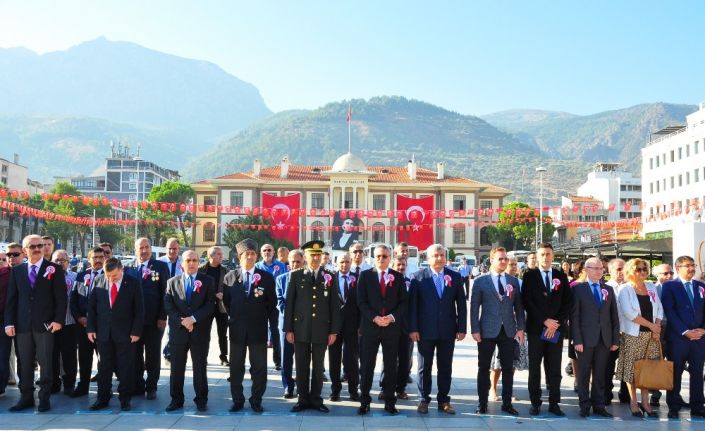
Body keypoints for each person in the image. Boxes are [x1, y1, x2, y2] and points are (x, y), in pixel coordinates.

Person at [5, 234, 66, 412]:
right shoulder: (17, 271)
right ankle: (26, 397)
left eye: (40, 245)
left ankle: (44, 398)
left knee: (45, 363)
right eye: (33, 246)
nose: (38, 249)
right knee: (24, 363)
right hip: (23, 325)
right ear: (25, 250)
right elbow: (12, 299)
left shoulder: (54, 269)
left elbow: (61, 298)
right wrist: (9, 323)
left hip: (46, 325)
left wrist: (58, 320)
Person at [285, 240, 342, 413]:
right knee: (301, 365)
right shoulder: (296, 275)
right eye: (312, 255)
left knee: (318, 366)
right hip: (300, 327)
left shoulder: (330, 276)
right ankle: (302, 399)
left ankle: (316, 399)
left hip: (321, 328)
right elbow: (290, 304)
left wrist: (334, 331)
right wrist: (288, 329)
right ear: (305, 257)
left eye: (318, 255)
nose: (316, 258)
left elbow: (334, 305)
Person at [222, 239, 277, 413]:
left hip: (258, 330)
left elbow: (271, 304)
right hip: (237, 330)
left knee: (259, 368)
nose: (250, 257)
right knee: (236, 368)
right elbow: (227, 303)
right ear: (240, 257)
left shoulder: (266, 278)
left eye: (253, 254)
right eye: (247, 254)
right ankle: (237, 400)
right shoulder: (230, 277)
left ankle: (256, 400)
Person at [470, 246, 523, 415]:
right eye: (500, 258)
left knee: (508, 368)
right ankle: (482, 403)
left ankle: (507, 404)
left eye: (505, 258)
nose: (504, 261)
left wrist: (521, 328)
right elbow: (474, 308)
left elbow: (519, 307)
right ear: (492, 260)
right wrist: (475, 329)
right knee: (483, 367)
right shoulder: (480, 281)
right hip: (487, 331)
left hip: (508, 330)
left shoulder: (513, 281)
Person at [87, 257, 144, 411]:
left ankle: (125, 399)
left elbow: (139, 310)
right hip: (104, 333)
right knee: (104, 367)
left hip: (126, 333)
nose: (111, 279)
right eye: (108, 276)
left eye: (115, 276)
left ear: (121, 270)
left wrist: (136, 331)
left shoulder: (132, 283)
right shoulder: (98, 280)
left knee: (125, 367)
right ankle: (102, 398)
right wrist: (91, 328)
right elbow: (91, 307)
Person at [522, 242, 572, 416]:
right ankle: (535, 402)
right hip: (536, 329)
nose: (545, 257)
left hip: (555, 330)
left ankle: (554, 403)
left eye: (548, 254)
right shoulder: (529, 276)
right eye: (542, 254)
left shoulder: (560, 276)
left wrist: (555, 323)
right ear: (537, 256)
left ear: (553, 256)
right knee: (535, 367)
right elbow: (527, 302)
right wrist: (544, 320)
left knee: (554, 367)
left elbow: (567, 302)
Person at [357, 244, 408, 416]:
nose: (381, 259)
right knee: (367, 366)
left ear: (390, 258)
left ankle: (389, 401)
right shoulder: (365, 276)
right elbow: (361, 301)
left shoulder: (397, 277)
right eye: (378, 256)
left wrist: (392, 317)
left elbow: (404, 302)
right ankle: (364, 402)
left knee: (391, 366)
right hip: (370, 328)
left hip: (391, 329)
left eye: (384, 256)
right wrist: (374, 317)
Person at [164, 250, 215, 412]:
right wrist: (184, 322)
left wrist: (193, 319)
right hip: (178, 332)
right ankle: (176, 400)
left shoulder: (208, 281)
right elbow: (168, 305)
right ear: (182, 264)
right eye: (188, 260)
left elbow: (210, 305)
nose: (191, 263)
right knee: (176, 368)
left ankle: (201, 400)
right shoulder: (172, 282)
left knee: (199, 367)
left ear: (198, 263)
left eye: (194, 260)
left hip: (199, 332)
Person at [614, 258, 663, 418]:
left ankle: (646, 403)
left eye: (644, 269)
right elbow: (629, 313)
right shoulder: (625, 289)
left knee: (647, 370)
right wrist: (652, 326)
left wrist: (657, 328)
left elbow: (659, 308)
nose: (642, 272)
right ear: (630, 271)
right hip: (632, 335)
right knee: (632, 370)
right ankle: (634, 402)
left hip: (651, 336)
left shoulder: (651, 287)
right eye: (638, 269)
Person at [572, 257, 620, 418]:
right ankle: (584, 405)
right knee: (584, 374)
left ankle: (599, 405)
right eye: (595, 268)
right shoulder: (578, 289)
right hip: (585, 339)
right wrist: (577, 340)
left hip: (604, 339)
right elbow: (575, 317)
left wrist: (615, 340)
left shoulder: (608, 289)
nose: (599, 271)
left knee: (600, 374)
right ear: (587, 270)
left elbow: (614, 316)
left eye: (601, 268)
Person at [123, 238, 169, 399]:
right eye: (141, 248)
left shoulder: (160, 267)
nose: (144, 250)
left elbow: (165, 293)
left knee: (152, 355)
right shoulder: (127, 267)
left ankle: (151, 387)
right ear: (135, 250)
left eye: (147, 247)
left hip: (154, 320)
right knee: (135, 354)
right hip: (133, 321)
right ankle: (138, 385)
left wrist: (162, 316)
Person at [661, 255, 705, 420]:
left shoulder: (701, 286)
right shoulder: (669, 286)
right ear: (678, 268)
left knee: (697, 373)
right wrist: (685, 331)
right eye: (688, 265)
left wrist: (703, 330)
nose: (692, 268)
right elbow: (669, 310)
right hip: (678, 339)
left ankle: (697, 406)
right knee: (675, 373)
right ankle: (673, 406)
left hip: (699, 339)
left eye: (693, 265)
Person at [489, 255, 528, 403]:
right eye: (511, 264)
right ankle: (492, 389)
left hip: (514, 327)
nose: (513, 267)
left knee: (512, 361)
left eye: (515, 264)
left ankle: (508, 390)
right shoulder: (492, 280)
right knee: (496, 362)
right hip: (496, 327)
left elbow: (521, 305)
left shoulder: (519, 283)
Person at [70, 246, 104, 397]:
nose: (98, 260)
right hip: (83, 325)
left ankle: (104, 388)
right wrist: (79, 317)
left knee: (104, 358)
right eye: (95, 257)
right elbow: (73, 300)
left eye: (101, 257)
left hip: (102, 326)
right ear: (89, 259)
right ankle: (83, 386)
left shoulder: (110, 275)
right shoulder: (81, 276)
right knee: (84, 357)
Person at [328, 252, 361, 402]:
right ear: (336, 263)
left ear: (351, 262)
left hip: (352, 326)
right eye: (341, 262)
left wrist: (360, 325)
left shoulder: (358, 278)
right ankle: (335, 390)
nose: (344, 264)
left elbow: (361, 303)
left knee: (351, 359)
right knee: (334, 359)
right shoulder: (330, 278)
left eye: (347, 262)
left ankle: (353, 390)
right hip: (333, 326)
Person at [275, 249, 304, 399]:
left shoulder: (308, 279)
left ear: (303, 262)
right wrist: (290, 318)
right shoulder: (281, 279)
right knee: (286, 357)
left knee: (302, 357)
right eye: (293, 261)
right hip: (286, 324)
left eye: (298, 261)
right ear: (288, 263)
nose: (295, 264)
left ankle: (301, 385)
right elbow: (279, 301)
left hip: (304, 324)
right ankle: (288, 386)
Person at [50, 249, 79, 396]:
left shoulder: (75, 277)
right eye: (56, 260)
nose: (60, 263)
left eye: (63, 260)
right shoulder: (47, 276)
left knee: (69, 356)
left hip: (70, 322)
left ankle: (69, 384)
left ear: (68, 262)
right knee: (52, 355)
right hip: (52, 323)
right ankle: (54, 383)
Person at [255, 243, 286, 371]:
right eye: (264, 250)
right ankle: (259, 361)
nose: (267, 252)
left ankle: (278, 361)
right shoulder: (257, 266)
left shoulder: (281, 266)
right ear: (261, 253)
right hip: (261, 303)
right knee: (260, 333)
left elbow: (285, 282)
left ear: (274, 252)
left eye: (269, 250)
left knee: (276, 332)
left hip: (276, 303)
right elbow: (254, 285)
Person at [198, 246, 229, 366]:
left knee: (223, 334)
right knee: (204, 333)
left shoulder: (225, 270)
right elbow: (198, 288)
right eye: (219, 254)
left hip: (221, 307)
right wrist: (213, 294)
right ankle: (203, 357)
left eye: (221, 254)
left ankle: (224, 357)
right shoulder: (201, 270)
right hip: (206, 306)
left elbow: (229, 286)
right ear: (211, 256)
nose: (222, 256)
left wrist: (224, 294)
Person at [649, 263, 674, 407]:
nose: (669, 276)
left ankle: (674, 396)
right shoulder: (652, 289)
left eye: (671, 273)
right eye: (665, 273)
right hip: (658, 329)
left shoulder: (677, 288)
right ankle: (655, 393)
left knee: (674, 364)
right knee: (656, 363)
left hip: (675, 330)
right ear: (657, 275)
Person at [604, 258, 629, 405]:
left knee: (627, 364)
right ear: (610, 271)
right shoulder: (605, 288)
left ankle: (626, 393)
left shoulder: (631, 287)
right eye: (618, 269)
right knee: (608, 364)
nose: (621, 272)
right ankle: (606, 393)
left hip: (628, 332)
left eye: (624, 269)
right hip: (610, 333)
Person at [0, 251, 10, 397]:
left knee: (2, 356)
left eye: (4, 258)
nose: (1, 261)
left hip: (5, 321)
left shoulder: (12, 274)